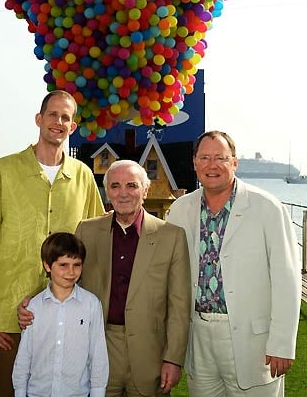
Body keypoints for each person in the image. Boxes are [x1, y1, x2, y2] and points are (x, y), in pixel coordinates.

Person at [0, 90, 105, 397]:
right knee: (2, 389)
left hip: (64, 311)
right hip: (6, 312)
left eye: (66, 118)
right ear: (39, 119)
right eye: (54, 115)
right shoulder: (3, 171)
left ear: (72, 127)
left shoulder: (83, 176)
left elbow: (98, 237)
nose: (59, 122)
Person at [20, 159, 191, 396]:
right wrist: (35, 304)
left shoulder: (171, 236)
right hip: (97, 347)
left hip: (150, 354)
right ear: (107, 191)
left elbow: (180, 305)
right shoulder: (86, 230)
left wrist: (173, 359)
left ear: (145, 189)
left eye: (131, 185)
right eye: (115, 186)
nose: (123, 194)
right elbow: (66, 277)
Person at [167, 130, 301, 397]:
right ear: (194, 162)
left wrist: (282, 344)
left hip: (253, 341)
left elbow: (287, 279)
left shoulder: (268, 208)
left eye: (220, 157)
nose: (212, 164)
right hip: (199, 337)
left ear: (234, 163)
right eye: (204, 157)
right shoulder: (181, 209)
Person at [12, 232, 108, 397]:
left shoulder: (91, 305)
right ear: (47, 266)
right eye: (63, 265)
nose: (71, 272)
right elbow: (24, 355)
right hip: (37, 393)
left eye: (77, 265)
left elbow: (98, 355)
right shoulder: (34, 307)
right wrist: (20, 392)